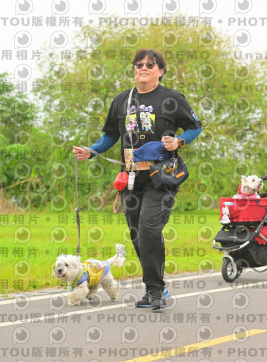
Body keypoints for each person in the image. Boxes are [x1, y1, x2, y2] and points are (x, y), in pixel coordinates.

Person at [72, 49, 202, 310]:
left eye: (150, 65)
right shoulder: (122, 100)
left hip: (161, 176)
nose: (144, 68)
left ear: (160, 71)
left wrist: (179, 141)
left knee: (149, 228)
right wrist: (91, 151)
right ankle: (157, 286)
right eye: (139, 64)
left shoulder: (172, 98)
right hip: (131, 178)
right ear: (134, 69)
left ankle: (154, 290)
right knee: (137, 234)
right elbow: (111, 135)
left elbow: (195, 126)